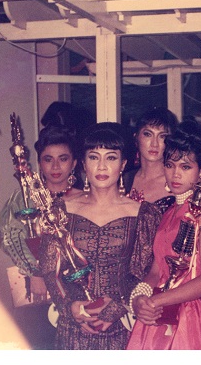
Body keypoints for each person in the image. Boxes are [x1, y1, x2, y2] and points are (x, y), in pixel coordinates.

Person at [38, 122, 162, 349]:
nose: (102, 166)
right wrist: (69, 307)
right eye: (94, 157)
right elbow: (49, 269)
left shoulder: (143, 214)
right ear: (84, 164)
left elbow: (144, 272)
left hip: (122, 327)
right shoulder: (60, 209)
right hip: (72, 328)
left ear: (123, 164)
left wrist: (118, 306)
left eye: (111, 158)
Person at [126, 118, 201, 349]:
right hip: (159, 311)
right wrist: (139, 298)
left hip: (190, 317)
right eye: (170, 165)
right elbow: (156, 271)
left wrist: (157, 300)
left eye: (185, 167)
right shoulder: (169, 211)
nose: (175, 174)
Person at [0, 124, 83, 349]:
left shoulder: (86, 199)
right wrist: (36, 272)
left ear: (74, 163)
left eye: (63, 159)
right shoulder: (25, 198)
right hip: (38, 289)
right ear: (39, 162)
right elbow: (10, 236)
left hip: (76, 288)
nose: (55, 166)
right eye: (48, 159)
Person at [123, 107, 179, 213]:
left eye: (162, 136)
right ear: (136, 137)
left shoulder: (178, 180)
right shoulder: (124, 179)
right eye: (148, 134)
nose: (154, 144)